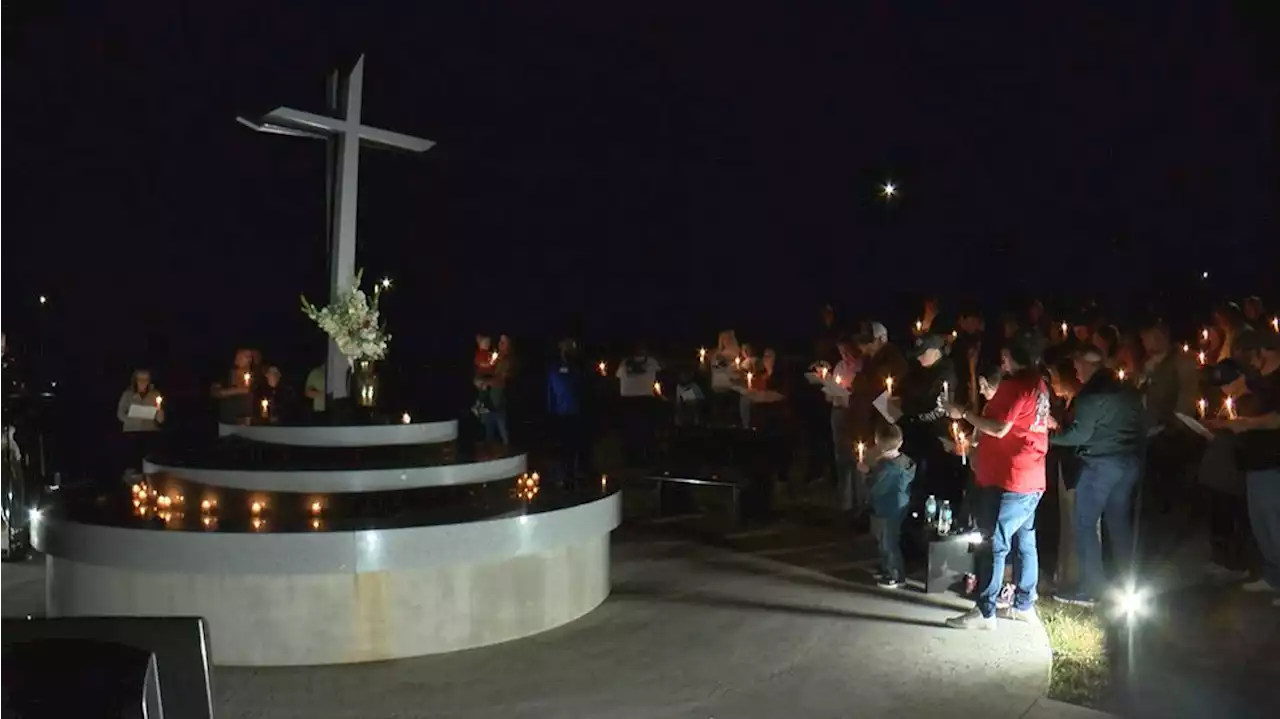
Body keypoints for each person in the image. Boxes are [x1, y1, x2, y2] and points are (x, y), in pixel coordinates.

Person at [946, 331, 1050, 629]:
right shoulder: (1039, 384)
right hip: (1030, 476)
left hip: (1010, 480)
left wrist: (963, 411)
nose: (1002, 361)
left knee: (995, 542)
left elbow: (999, 427)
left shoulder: (1015, 386)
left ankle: (985, 612)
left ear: (1012, 358)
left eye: (1005, 356)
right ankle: (1024, 603)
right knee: (1025, 540)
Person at [1050, 347, 1146, 606]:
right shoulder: (1129, 391)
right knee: (1118, 524)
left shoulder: (1091, 395)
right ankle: (1129, 585)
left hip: (1100, 465)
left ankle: (1092, 588)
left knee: (1085, 524)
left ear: (1087, 365)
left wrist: (1051, 437)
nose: (1076, 370)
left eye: (1078, 364)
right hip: (1129, 464)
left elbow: (1080, 435)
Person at [899, 333, 960, 508]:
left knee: (933, 479)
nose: (918, 357)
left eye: (922, 353)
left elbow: (936, 408)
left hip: (936, 436)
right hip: (917, 433)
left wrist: (910, 410)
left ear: (935, 351)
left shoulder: (945, 374)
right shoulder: (919, 370)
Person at [860, 423, 916, 589]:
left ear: (878, 442)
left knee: (888, 541)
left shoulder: (884, 468)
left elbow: (875, 486)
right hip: (900, 503)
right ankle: (886, 567)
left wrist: (866, 472)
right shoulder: (905, 462)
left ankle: (895, 574)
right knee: (887, 538)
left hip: (888, 506)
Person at [547, 338, 590, 482]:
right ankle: (568, 472)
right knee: (568, 444)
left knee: (572, 444)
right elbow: (550, 391)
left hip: (571, 411)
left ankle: (572, 471)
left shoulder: (575, 369)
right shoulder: (559, 369)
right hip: (566, 412)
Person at [616, 344, 662, 464]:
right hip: (642, 398)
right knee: (643, 428)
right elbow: (661, 370)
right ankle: (642, 456)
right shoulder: (651, 361)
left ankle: (632, 457)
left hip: (630, 398)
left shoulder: (625, 362)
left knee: (632, 428)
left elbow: (618, 377)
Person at [116, 369, 165, 479]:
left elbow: (160, 420)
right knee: (133, 463)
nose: (143, 382)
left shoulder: (155, 395)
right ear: (135, 380)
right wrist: (131, 418)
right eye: (140, 379)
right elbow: (120, 414)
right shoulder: (128, 394)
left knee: (149, 461)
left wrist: (159, 410)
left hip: (150, 432)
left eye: (146, 379)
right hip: (132, 432)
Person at [211, 349, 255, 425]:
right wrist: (238, 390)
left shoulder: (254, 377)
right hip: (227, 423)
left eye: (250, 357)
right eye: (245, 356)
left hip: (248, 425)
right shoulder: (225, 374)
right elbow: (214, 392)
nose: (249, 359)